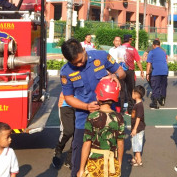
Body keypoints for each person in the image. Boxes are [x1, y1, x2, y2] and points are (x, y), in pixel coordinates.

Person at [60, 38, 126, 177]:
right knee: (78, 159)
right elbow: (68, 97)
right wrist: (86, 106)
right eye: (75, 63)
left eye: (81, 60)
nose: (80, 64)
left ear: (83, 50)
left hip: (107, 118)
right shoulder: (66, 72)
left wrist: (115, 75)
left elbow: (122, 72)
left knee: (108, 156)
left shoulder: (101, 56)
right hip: (83, 119)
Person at [77, 79, 125, 177]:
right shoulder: (119, 117)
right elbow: (120, 143)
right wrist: (119, 164)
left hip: (94, 164)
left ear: (98, 96)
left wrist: (81, 169)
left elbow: (87, 143)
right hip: (112, 164)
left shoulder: (92, 117)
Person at [121, 34, 144, 114]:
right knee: (131, 91)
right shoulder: (133, 49)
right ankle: (130, 110)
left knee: (121, 90)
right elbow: (138, 61)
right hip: (130, 72)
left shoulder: (119, 48)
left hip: (121, 71)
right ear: (130, 40)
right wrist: (141, 71)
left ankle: (120, 110)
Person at [52, 92, 75, 169]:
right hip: (66, 104)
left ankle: (70, 157)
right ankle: (58, 150)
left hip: (82, 105)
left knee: (78, 133)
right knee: (68, 131)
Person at [146, 39, 168, 109]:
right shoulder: (163, 52)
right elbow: (166, 61)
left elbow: (149, 64)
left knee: (155, 86)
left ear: (153, 45)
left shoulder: (151, 52)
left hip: (156, 72)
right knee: (163, 86)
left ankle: (155, 103)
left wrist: (147, 74)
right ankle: (162, 100)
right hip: (164, 71)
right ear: (159, 45)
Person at [108, 36, 127, 112]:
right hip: (112, 71)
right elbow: (108, 60)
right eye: (116, 41)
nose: (117, 42)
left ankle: (121, 108)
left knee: (121, 89)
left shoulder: (124, 49)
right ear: (113, 42)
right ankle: (112, 106)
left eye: (119, 41)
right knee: (112, 88)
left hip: (120, 71)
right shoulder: (111, 50)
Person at [130, 85, 146, 167]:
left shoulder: (139, 105)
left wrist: (135, 129)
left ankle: (139, 160)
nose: (131, 94)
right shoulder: (137, 104)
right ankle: (136, 158)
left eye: (133, 92)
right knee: (135, 142)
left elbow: (138, 118)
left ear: (136, 94)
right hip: (136, 128)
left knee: (137, 144)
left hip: (138, 128)